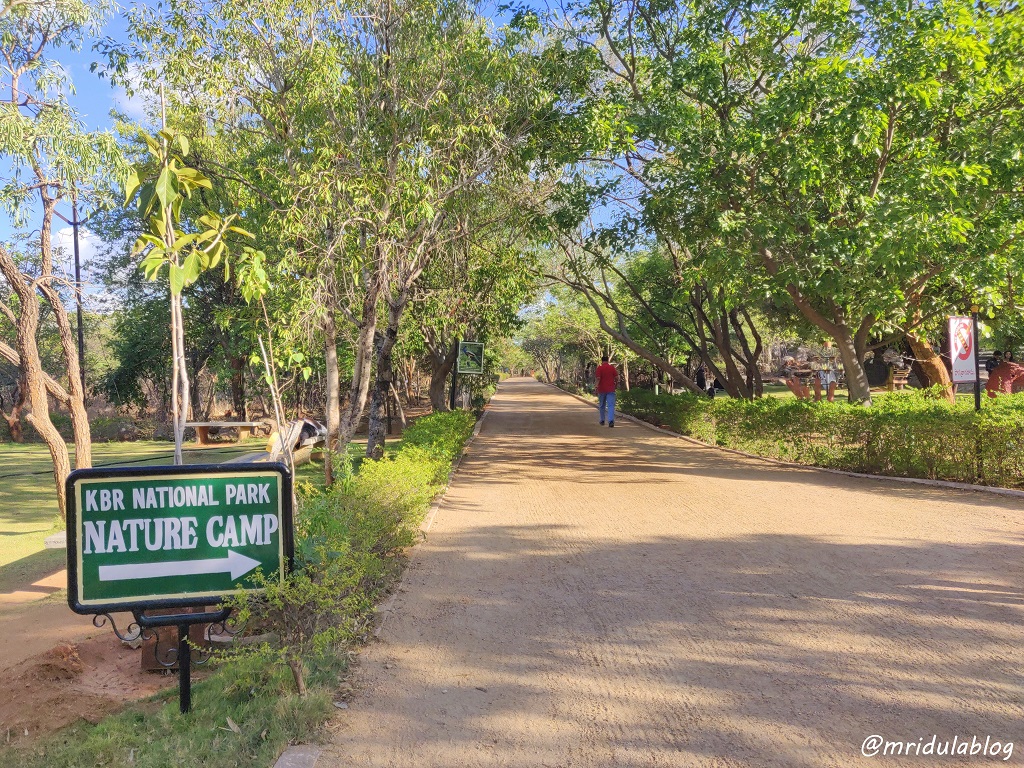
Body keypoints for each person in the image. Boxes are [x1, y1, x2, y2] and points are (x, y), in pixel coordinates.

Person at [595, 354, 618, 427]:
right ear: (608, 360)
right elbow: (617, 377)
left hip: (601, 389)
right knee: (611, 405)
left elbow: (598, 378)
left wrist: (596, 386)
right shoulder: (612, 368)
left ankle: (602, 420)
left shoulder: (599, 368)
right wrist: (616, 384)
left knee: (602, 405)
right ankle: (611, 421)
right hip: (611, 389)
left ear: (602, 361)